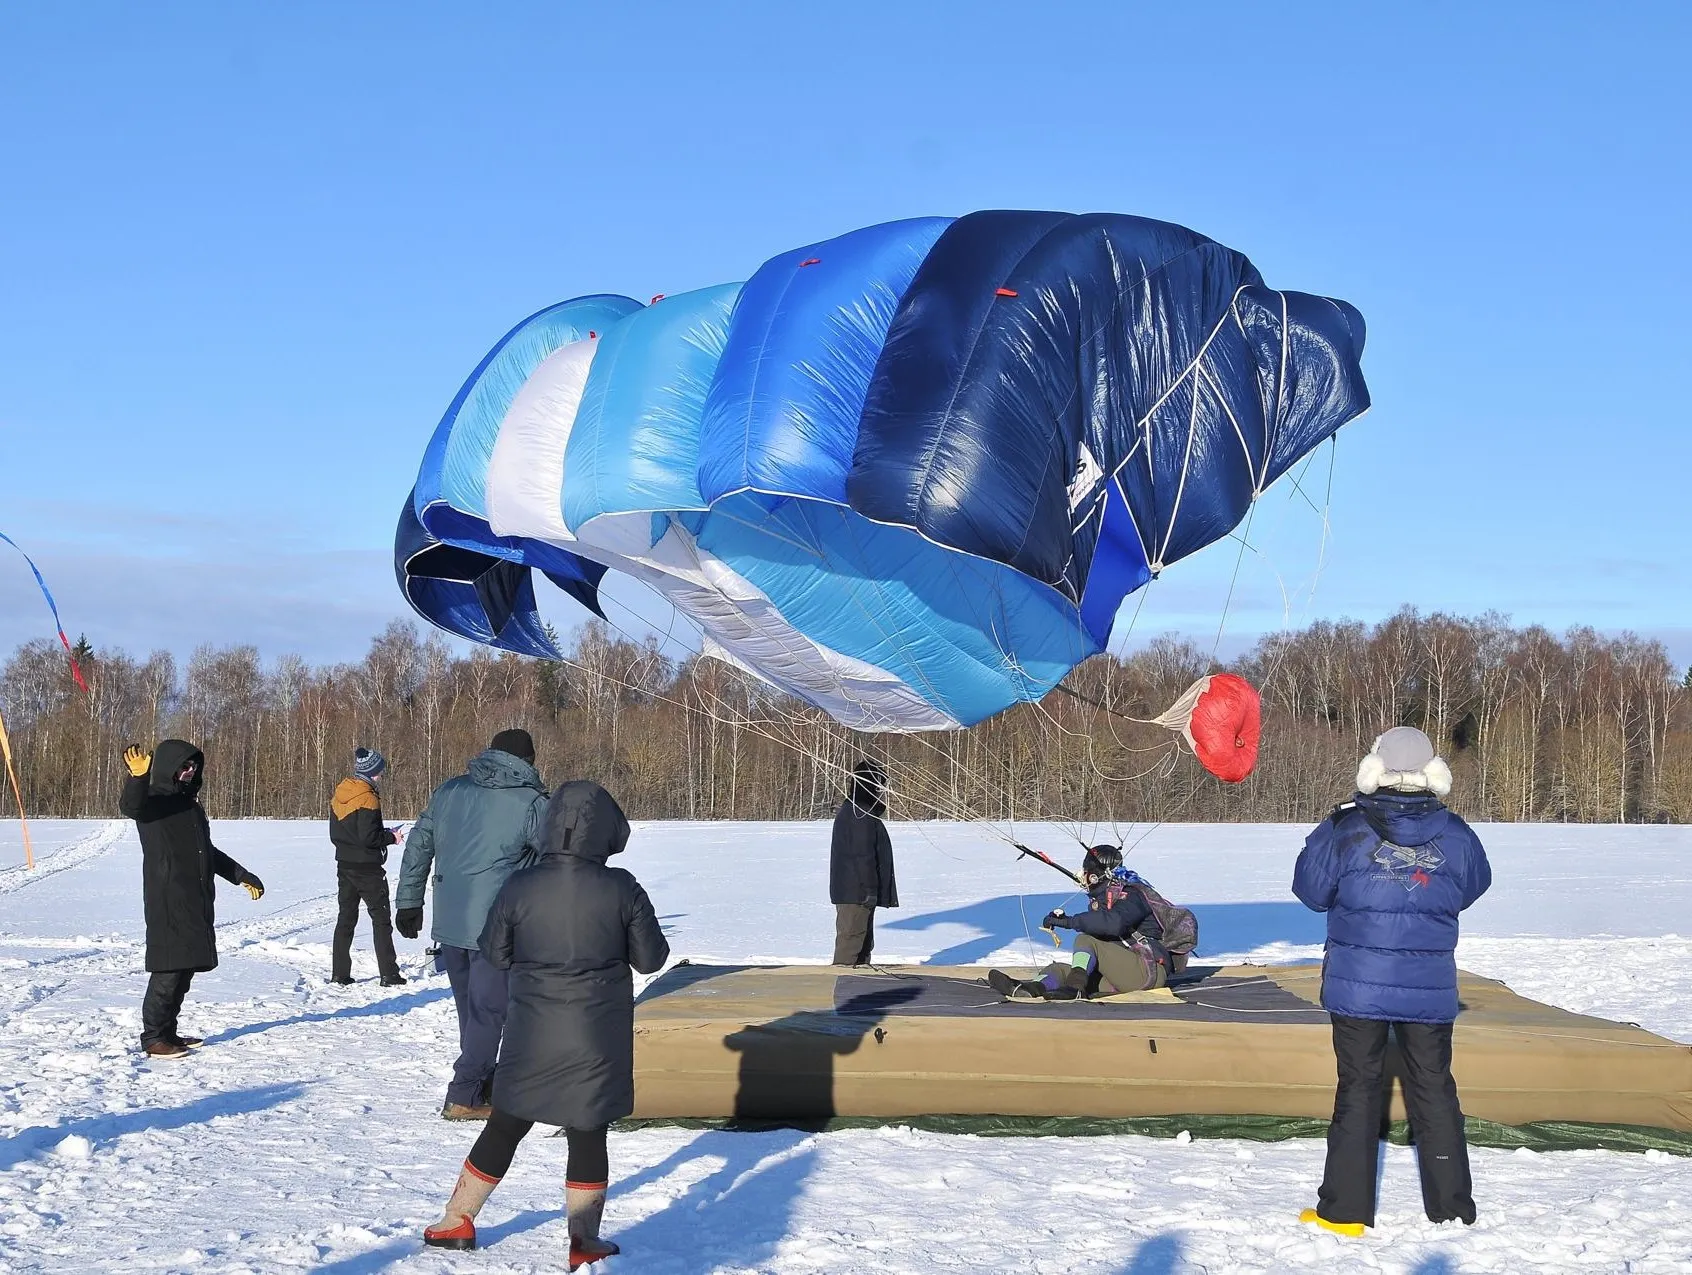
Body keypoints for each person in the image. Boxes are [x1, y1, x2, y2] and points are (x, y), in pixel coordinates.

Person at [423, 780, 668, 1267]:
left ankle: (456, 1220)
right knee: (588, 1129)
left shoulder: (520, 884)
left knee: (506, 1125)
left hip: (530, 1033)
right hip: (596, 1039)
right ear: (606, 831)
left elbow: (494, 951)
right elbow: (651, 959)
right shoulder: (622, 887)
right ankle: (584, 1239)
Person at [1293, 726, 1492, 1236]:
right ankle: (1452, 1208)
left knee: (1357, 1089)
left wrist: (1326, 828)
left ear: (1374, 768)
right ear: (1431, 773)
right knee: (1435, 1088)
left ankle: (1344, 1212)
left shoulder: (1345, 829)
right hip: (1429, 987)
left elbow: (1311, 891)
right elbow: (1472, 885)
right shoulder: (1457, 833)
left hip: (1358, 986)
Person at [396, 728, 548, 1120]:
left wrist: (409, 900)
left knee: (472, 1009)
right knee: (489, 1012)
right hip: (498, 927)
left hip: (451, 920)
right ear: (528, 760)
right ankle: (465, 1093)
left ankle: (482, 1084)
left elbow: (419, 843)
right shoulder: (531, 802)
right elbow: (559, 857)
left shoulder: (450, 791)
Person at [119, 740, 265, 1059]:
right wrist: (137, 777)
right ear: (168, 767)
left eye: (194, 767)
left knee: (185, 968)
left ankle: (168, 1031)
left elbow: (206, 852)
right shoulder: (154, 799)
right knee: (169, 967)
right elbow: (133, 807)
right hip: (168, 896)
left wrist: (241, 875)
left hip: (195, 896)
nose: (189, 772)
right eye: (184, 766)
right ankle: (154, 1037)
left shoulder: (189, 805)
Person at [988, 846, 1197, 1000]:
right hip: (1124, 976)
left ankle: (1075, 989)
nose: (1083, 877)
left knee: (1085, 940)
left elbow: (1114, 923)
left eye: (1086, 873)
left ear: (1095, 876)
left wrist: (1070, 922)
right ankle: (1030, 989)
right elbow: (1103, 921)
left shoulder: (1134, 895)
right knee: (1059, 970)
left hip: (1147, 971)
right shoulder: (1107, 898)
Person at [328, 746, 405, 987]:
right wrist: (392, 837)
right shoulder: (368, 796)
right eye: (379, 771)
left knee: (346, 919)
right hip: (368, 869)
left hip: (345, 865)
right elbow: (368, 837)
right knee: (381, 919)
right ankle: (389, 974)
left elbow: (341, 833)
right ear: (372, 771)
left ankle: (340, 974)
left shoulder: (341, 792)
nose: (381, 775)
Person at [829, 761, 897, 966]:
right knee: (850, 946)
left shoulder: (860, 812)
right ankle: (838, 988)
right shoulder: (858, 814)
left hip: (858, 893)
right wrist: (868, 890)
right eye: (877, 786)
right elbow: (861, 856)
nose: (880, 792)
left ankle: (859, 988)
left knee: (863, 945)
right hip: (855, 893)